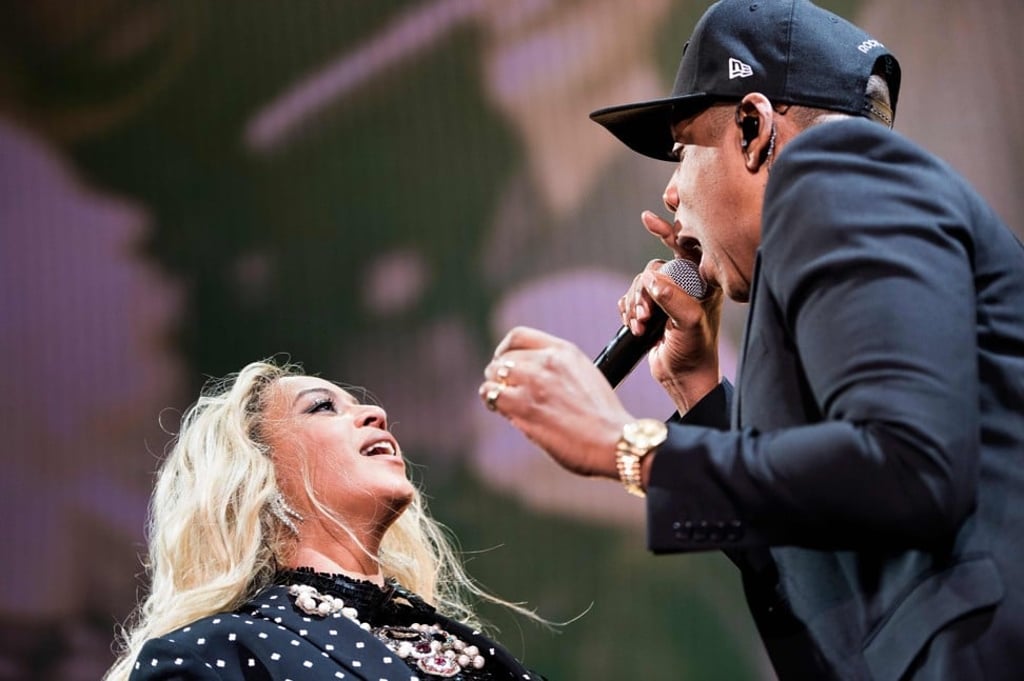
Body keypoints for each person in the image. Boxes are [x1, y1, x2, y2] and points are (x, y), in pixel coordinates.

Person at [478, 0, 1024, 679]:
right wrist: (699, 390)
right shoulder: (836, 238)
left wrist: (625, 444)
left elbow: (910, 467)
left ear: (753, 126)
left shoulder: (834, 168)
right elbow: (824, 546)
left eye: (682, 153)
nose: (672, 193)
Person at [106, 359, 547, 681]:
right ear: (257, 474)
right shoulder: (215, 656)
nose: (376, 414)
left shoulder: (459, 643)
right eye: (322, 407)